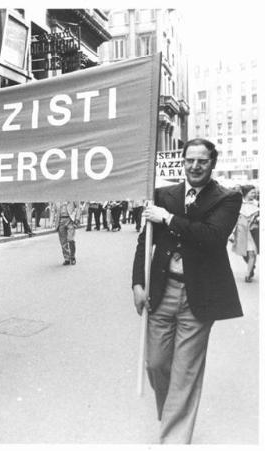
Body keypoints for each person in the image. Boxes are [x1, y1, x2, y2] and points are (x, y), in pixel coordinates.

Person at [132, 138, 243, 444]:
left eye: (202, 161)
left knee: (185, 374)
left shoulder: (227, 198)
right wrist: (137, 284)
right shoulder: (164, 194)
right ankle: (172, 413)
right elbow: (146, 240)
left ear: (213, 163)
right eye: (190, 160)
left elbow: (211, 237)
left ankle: (173, 440)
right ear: (183, 161)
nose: (195, 166)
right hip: (161, 291)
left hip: (199, 296)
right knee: (156, 364)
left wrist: (167, 218)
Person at [231, 184, 259, 282]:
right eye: (252, 192)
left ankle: (248, 274)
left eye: (255, 192)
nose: (254, 194)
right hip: (241, 231)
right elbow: (233, 219)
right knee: (244, 253)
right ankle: (251, 266)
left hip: (253, 231)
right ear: (246, 193)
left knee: (252, 253)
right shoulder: (239, 204)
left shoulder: (257, 204)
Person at [55, 200, 82, 265]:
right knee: (63, 241)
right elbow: (54, 210)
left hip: (70, 220)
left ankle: (72, 257)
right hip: (60, 221)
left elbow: (78, 208)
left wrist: (77, 219)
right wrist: (51, 222)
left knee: (71, 239)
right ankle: (67, 258)